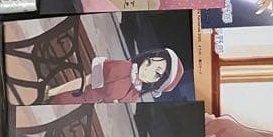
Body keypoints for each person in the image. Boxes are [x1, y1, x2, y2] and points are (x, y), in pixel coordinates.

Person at [43, 48, 185, 104]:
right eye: (149, 62)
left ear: (158, 83)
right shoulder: (123, 68)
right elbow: (86, 80)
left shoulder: (135, 94)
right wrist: (51, 92)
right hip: (72, 99)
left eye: (157, 73)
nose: (147, 69)